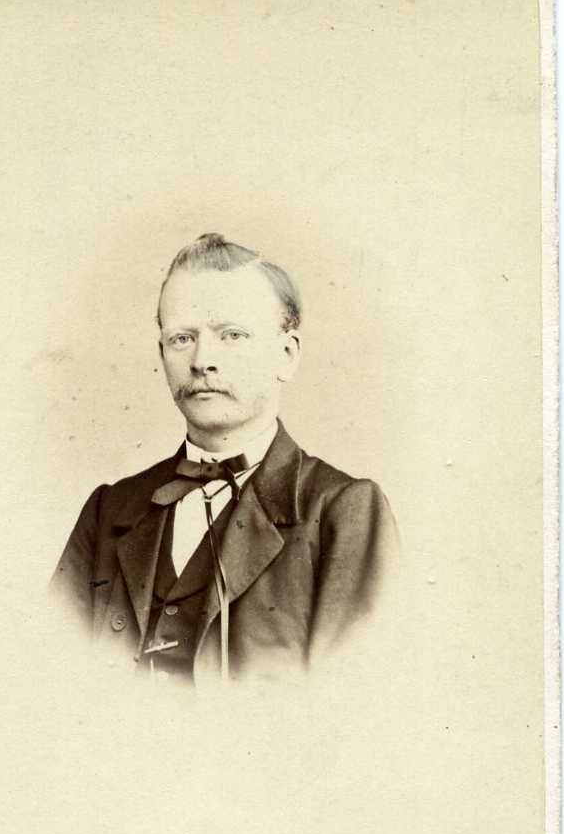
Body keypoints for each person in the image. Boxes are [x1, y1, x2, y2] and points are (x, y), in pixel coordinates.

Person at [52, 233, 397, 685]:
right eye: (182, 338)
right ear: (162, 354)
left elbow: (350, 701)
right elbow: (52, 683)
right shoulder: (108, 510)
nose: (202, 361)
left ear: (286, 355)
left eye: (232, 335)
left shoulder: (343, 512)